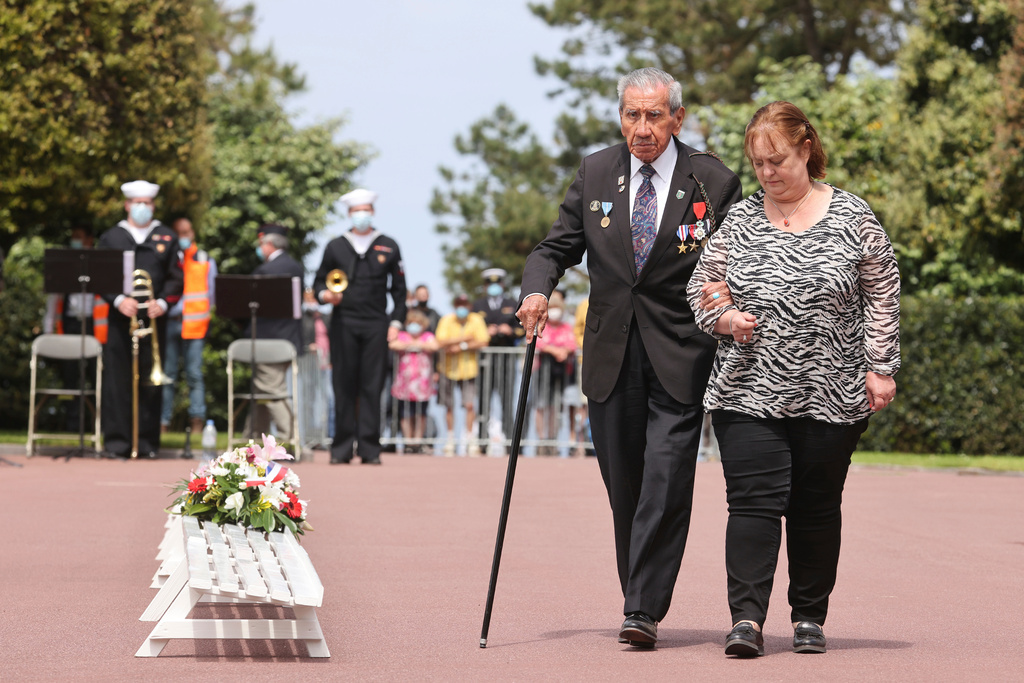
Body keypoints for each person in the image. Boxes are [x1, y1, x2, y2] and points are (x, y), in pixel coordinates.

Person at [517, 67, 742, 647]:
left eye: (653, 116)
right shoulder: (596, 171)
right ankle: (637, 594)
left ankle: (641, 608)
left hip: (680, 355)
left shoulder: (712, 180)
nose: (641, 129)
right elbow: (557, 244)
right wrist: (537, 290)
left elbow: (734, 265)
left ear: (677, 118)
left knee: (666, 482)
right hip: (611, 356)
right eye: (631, 116)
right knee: (627, 487)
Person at [687, 101, 900, 657]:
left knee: (815, 505)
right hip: (747, 389)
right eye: (757, 163)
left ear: (806, 148)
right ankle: (747, 621)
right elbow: (702, 284)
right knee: (753, 503)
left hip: (831, 390)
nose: (767, 173)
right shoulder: (739, 220)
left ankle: (808, 616)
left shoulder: (854, 216)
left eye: (776, 159)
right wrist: (724, 315)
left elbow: (883, 293)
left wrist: (881, 365)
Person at [314, 188, 407, 465]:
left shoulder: (388, 244)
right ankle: (341, 448)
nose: (361, 215)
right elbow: (319, 281)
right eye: (356, 211)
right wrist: (325, 295)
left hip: (376, 324)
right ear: (349, 214)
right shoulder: (335, 245)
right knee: (343, 384)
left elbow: (400, 290)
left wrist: (396, 321)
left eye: (365, 210)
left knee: (372, 385)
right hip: (343, 322)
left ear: (373, 212)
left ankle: (369, 448)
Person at [96, 180, 183, 458]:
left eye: (147, 203)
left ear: (153, 206)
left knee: (150, 381)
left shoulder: (166, 237)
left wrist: (162, 302)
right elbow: (101, 275)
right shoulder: (112, 237)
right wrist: (119, 300)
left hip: (154, 319)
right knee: (117, 381)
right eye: (137, 203)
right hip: (121, 318)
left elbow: (177, 278)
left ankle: (147, 443)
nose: (142, 207)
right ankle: (118, 443)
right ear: (127, 205)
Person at [43, 227, 109, 432]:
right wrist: (48, 329)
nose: (76, 241)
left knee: (96, 376)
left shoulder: (99, 265)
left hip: (93, 325)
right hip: (70, 323)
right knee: (71, 378)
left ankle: (99, 426)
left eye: (79, 238)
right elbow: (54, 299)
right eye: (73, 238)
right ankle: (73, 425)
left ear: (89, 240)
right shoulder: (66, 266)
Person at [243, 224, 303, 443]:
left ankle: (290, 440)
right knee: (262, 393)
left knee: (271, 391)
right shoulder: (294, 266)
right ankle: (250, 439)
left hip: (268, 340)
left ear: (268, 244)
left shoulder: (266, 270)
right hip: (288, 339)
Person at [161, 218, 216, 438]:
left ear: (193, 233)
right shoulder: (167, 258)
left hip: (194, 325)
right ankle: (163, 423)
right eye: (179, 233)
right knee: (166, 376)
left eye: (187, 232)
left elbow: (211, 293)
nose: (183, 236)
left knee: (194, 375)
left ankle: (197, 423)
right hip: (171, 322)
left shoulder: (204, 259)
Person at [471, 267, 523, 444]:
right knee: (484, 400)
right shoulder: (477, 305)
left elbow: (522, 328)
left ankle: (510, 441)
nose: (494, 287)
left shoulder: (512, 302)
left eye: (497, 283)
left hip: (506, 358)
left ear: (502, 284)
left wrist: (511, 331)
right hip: (486, 359)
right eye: (490, 284)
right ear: (485, 286)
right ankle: (482, 441)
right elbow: (471, 329)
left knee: (507, 400)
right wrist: (485, 332)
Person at [435, 294, 490, 455]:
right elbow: (440, 341)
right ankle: (450, 438)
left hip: (468, 369)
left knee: (469, 405)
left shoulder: (476, 319)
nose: (462, 307)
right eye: (459, 304)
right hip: (448, 369)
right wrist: (465, 338)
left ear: (469, 306)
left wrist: (461, 345)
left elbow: (483, 341)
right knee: (449, 405)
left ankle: (469, 437)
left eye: (465, 304)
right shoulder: (446, 320)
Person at [532, 292, 577, 456]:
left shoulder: (566, 327)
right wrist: (553, 349)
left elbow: (572, 344)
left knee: (555, 408)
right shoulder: (542, 325)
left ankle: (552, 439)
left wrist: (563, 350)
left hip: (560, 373)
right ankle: (542, 440)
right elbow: (538, 342)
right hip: (542, 371)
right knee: (541, 406)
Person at [388, 308, 438, 453]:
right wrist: (412, 345)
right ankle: (408, 440)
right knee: (405, 412)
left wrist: (417, 345)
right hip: (405, 382)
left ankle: (417, 440)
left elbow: (435, 346)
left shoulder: (427, 336)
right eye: (411, 323)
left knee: (420, 412)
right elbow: (393, 344)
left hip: (422, 383)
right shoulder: (403, 335)